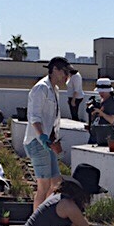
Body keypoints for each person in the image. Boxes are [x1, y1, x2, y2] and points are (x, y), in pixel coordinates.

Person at [24, 56, 69, 210]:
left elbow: (52, 119)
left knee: (56, 183)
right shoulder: (41, 88)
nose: (66, 76)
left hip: (47, 143)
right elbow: (34, 116)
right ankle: (35, 224)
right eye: (64, 71)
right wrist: (42, 136)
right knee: (43, 185)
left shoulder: (54, 90)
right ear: (54, 70)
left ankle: (43, 215)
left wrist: (53, 140)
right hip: (37, 142)